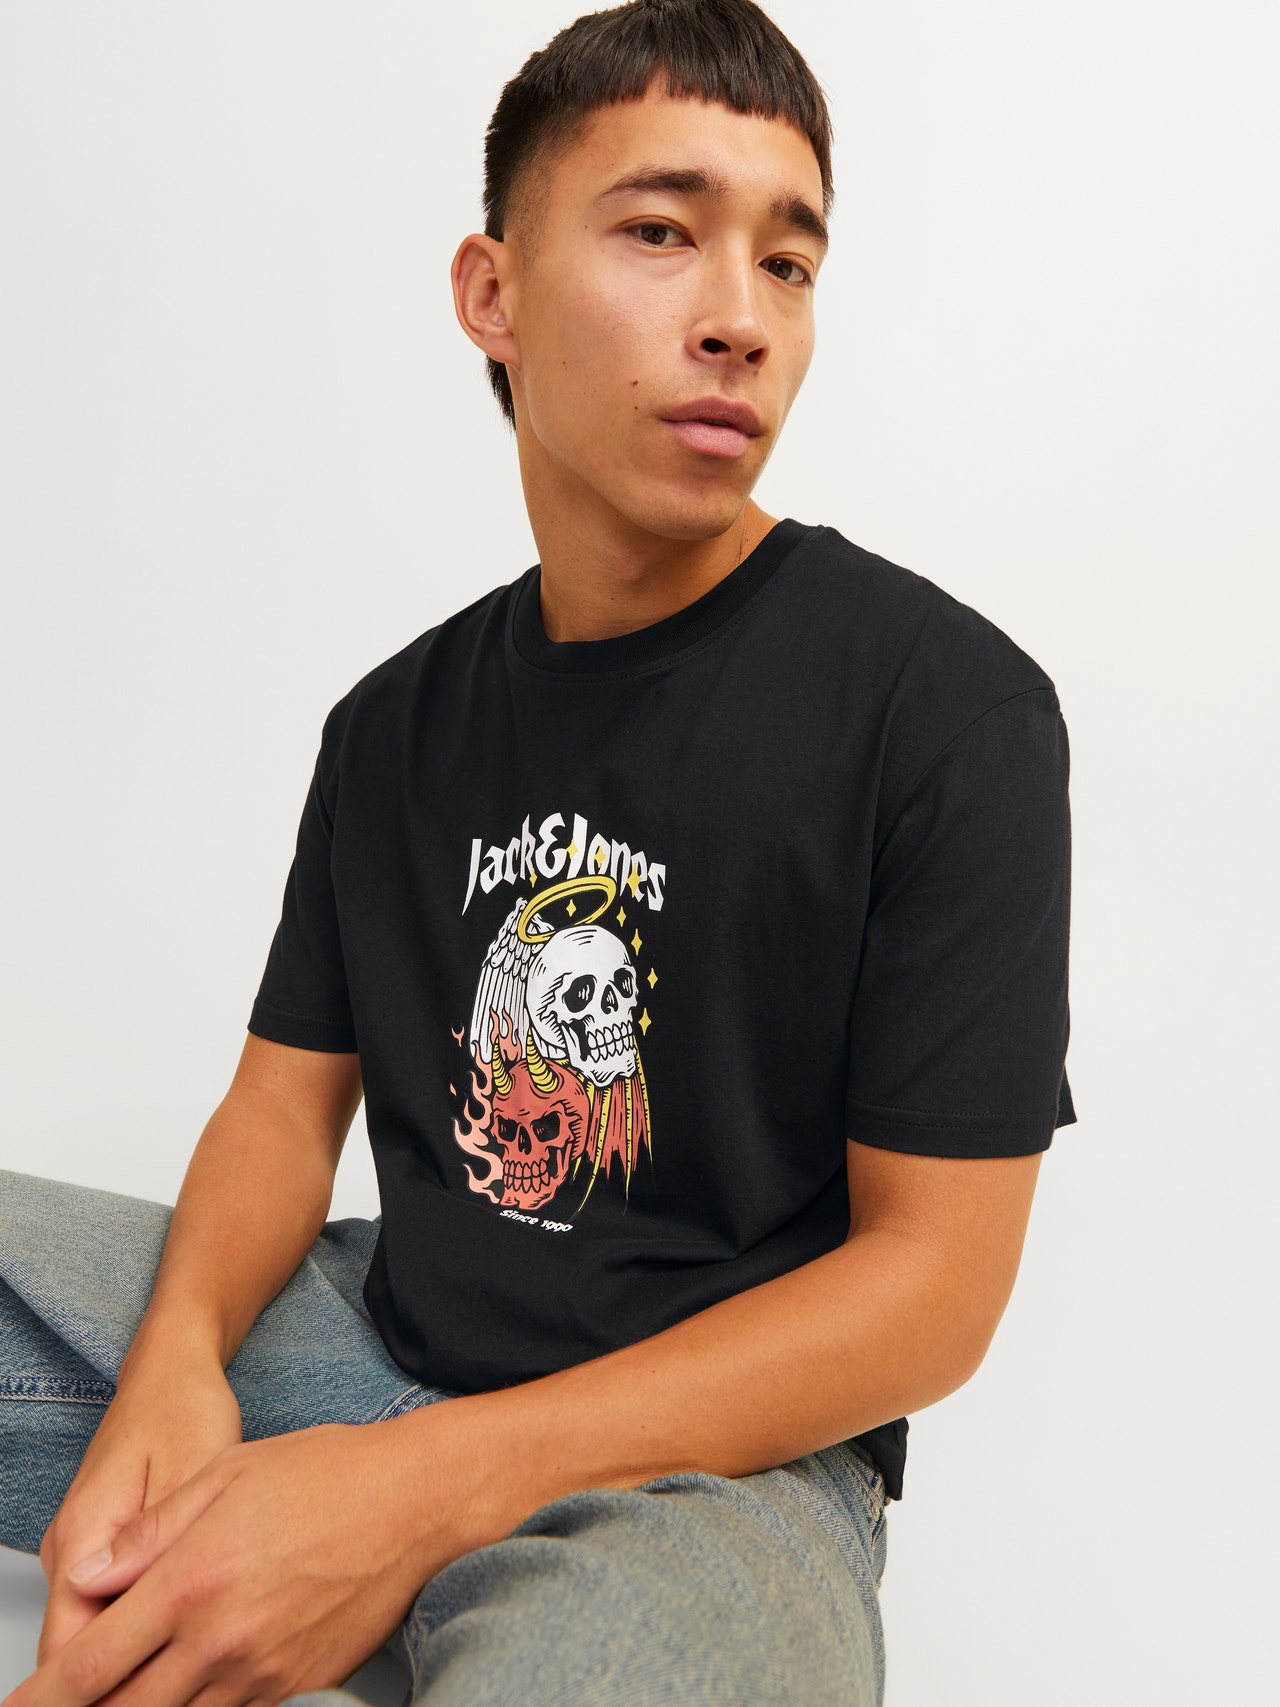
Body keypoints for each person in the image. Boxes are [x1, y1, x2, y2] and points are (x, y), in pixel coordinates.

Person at [0, 2, 1074, 1703]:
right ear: (491, 292)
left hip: (714, 1480)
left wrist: (411, 1497)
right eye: (660, 232)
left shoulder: (945, 710)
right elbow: (281, 1110)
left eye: (788, 263)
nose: (740, 318)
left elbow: (934, 1289)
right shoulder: (391, 725)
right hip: (369, 1353)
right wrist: (178, 1369)